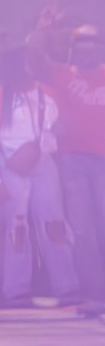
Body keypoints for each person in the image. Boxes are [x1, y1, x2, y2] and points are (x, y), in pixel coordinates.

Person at [25, 9, 105, 305]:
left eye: (93, 42)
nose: (88, 48)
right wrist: (41, 28)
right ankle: (94, 294)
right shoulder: (62, 74)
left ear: (102, 47)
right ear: (74, 48)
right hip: (72, 161)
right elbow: (33, 53)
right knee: (82, 230)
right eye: (81, 43)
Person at [0, 50, 77, 302]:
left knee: (54, 223)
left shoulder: (47, 92)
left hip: (42, 160)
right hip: (7, 162)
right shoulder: (3, 93)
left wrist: (41, 144)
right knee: (15, 226)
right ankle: (15, 290)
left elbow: (64, 125)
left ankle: (67, 286)